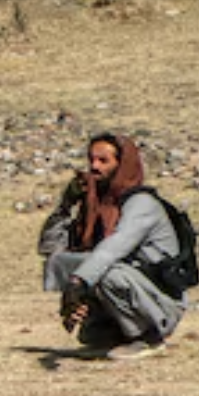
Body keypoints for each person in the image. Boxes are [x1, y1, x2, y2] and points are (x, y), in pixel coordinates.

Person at [40, 133, 185, 359]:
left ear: (121, 165)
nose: (94, 167)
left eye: (103, 161)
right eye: (91, 160)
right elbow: (50, 248)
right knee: (65, 262)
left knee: (105, 271)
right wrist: (66, 204)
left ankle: (149, 338)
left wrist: (78, 283)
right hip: (126, 284)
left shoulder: (142, 204)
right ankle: (112, 332)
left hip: (157, 301)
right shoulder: (95, 205)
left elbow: (113, 249)